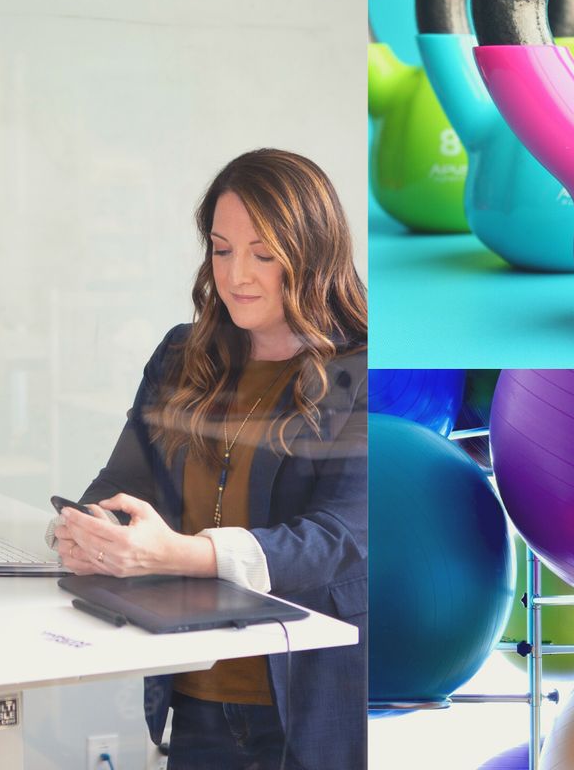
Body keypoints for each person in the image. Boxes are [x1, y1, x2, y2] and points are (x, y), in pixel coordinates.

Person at [49, 149, 367, 770]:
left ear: (313, 253)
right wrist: (87, 532)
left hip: (311, 706)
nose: (236, 274)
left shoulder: (362, 370)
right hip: (195, 694)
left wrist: (171, 553)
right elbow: (118, 485)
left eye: (264, 253)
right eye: (222, 250)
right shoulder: (180, 355)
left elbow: (337, 539)